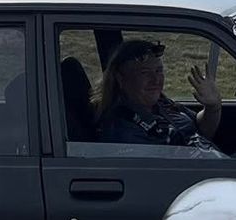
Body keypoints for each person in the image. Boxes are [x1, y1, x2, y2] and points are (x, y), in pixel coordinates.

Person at [93, 38, 228, 153]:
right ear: (120, 79)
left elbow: (201, 131)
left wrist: (213, 107)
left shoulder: (161, 104)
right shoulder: (123, 130)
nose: (156, 80)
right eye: (145, 73)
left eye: (158, 71)